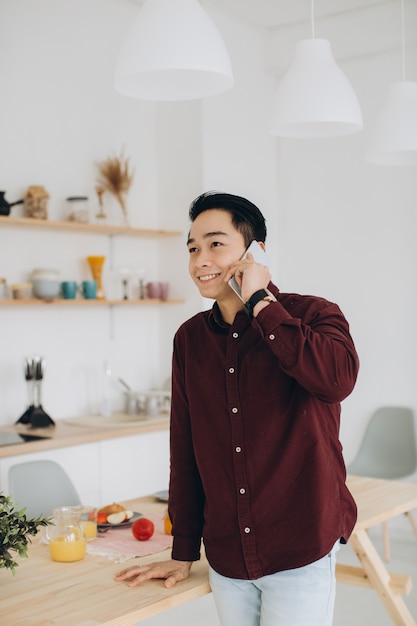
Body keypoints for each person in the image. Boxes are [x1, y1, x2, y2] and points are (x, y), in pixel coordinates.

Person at [115, 191, 360, 626]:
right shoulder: (189, 340)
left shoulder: (314, 314)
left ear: (254, 252)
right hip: (228, 557)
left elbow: (336, 381)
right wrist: (184, 549)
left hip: (299, 548)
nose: (199, 260)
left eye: (215, 244)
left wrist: (261, 302)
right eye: (192, 248)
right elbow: (185, 450)